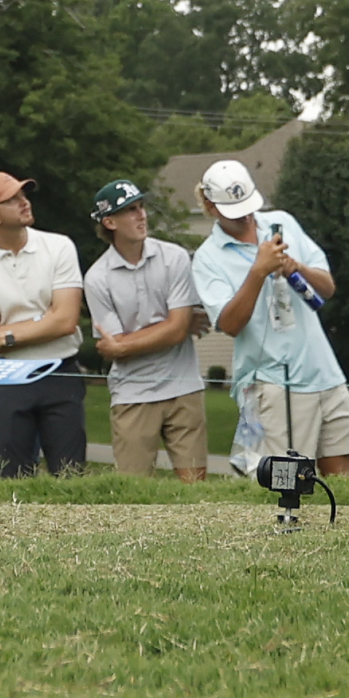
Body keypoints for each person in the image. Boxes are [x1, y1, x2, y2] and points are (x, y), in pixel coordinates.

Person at [191, 159, 349, 477]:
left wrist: (297, 268)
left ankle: (337, 528)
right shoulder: (207, 258)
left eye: (247, 206)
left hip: (325, 372)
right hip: (273, 382)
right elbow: (229, 324)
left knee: (342, 479)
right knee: (286, 483)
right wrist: (259, 270)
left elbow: (327, 287)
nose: (244, 216)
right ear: (211, 206)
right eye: (233, 210)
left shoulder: (282, 222)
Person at [0, 171, 87, 477]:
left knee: (70, 476)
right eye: (12, 200)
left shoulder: (59, 246)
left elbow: (66, 321)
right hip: (8, 379)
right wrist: (43, 321)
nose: (24, 203)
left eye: (23, 195)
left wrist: (8, 336)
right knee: (12, 477)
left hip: (61, 369)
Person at [83, 179, 209, 482]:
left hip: (184, 385)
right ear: (109, 222)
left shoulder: (175, 257)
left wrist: (125, 346)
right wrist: (171, 325)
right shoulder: (96, 278)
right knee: (133, 493)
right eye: (130, 210)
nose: (141, 215)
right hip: (132, 392)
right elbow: (175, 326)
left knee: (197, 491)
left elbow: (173, 331)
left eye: (141, 207)